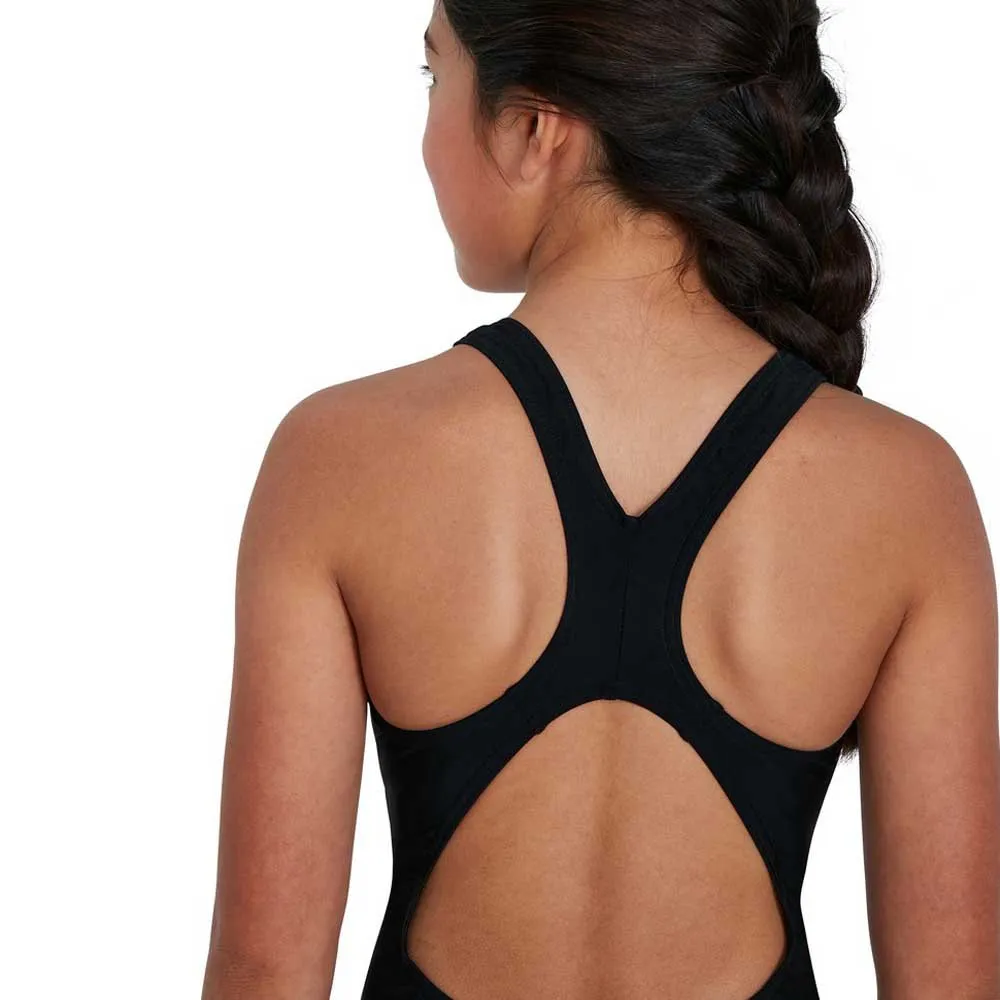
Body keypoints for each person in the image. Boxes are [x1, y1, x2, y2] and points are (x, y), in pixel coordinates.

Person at [201, 1, 1000, 997]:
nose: (426, 130)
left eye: (434, 77)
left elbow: (265, 970)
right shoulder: (907, 492)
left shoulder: (341, 457)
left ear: (537, 127)